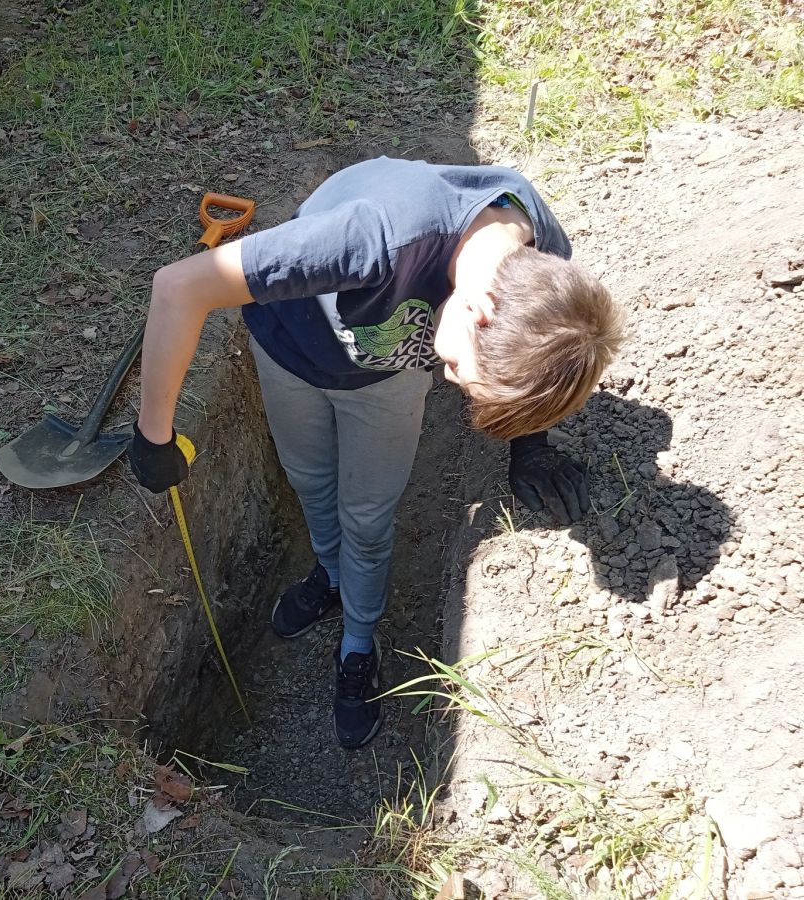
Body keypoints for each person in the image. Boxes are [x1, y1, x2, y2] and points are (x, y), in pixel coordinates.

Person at [128, 157, 624, 749]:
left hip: (382, 377)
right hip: (290, 350)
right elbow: (179, 286)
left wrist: (531, 446)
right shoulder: (371, 238)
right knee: (308, 477)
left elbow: (537, 364)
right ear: (477, 310)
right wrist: (153, 434)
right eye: (460, 371)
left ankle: (358, 642)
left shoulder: (544, 263)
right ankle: (330, 575)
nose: (450, 381)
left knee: (366, 518)